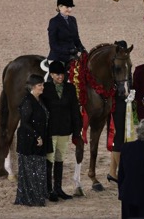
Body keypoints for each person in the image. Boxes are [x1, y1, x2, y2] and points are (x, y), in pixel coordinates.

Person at [41, 60, 82, 202]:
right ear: (51, 75)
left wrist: (77, 132)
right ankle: (48, 189)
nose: (60, 77)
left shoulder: (70, 89)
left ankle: (58, 188)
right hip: (50, 130)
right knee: (49, 159)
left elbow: (75, 111)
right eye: (57, 74)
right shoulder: (45, 88)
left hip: (65, 130)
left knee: (60, 158)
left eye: (62, 74)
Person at [14, 74, 51, 207]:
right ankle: (31, 197)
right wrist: (37, 136)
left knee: (38, 168)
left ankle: (38, 195)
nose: (42, 87)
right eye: (40, 85)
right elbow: (25, 122)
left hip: (39, 139)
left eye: (42, 85)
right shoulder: (27, 101)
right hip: (29, 140)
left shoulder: (39, 99)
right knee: (30, 169)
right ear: (33, 87)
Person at [108, 40, 134, 184]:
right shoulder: (114, 65)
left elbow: (129, 80)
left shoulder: (126, 63)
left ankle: (112, 172)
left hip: (126, 102)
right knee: (119, 136)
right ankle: (122, 171)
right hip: (117, 102)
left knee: (123, 136)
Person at [47, 0, 86, 68]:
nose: (70, 9)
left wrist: (82, 49)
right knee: (59, 76)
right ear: (60, 7)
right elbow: (53, 45)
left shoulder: (73, 20)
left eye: (71, 7)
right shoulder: (54, 21)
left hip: (72, 56)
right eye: (67, 7)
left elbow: (76, 39)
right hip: (58, 57)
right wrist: (68, 51)